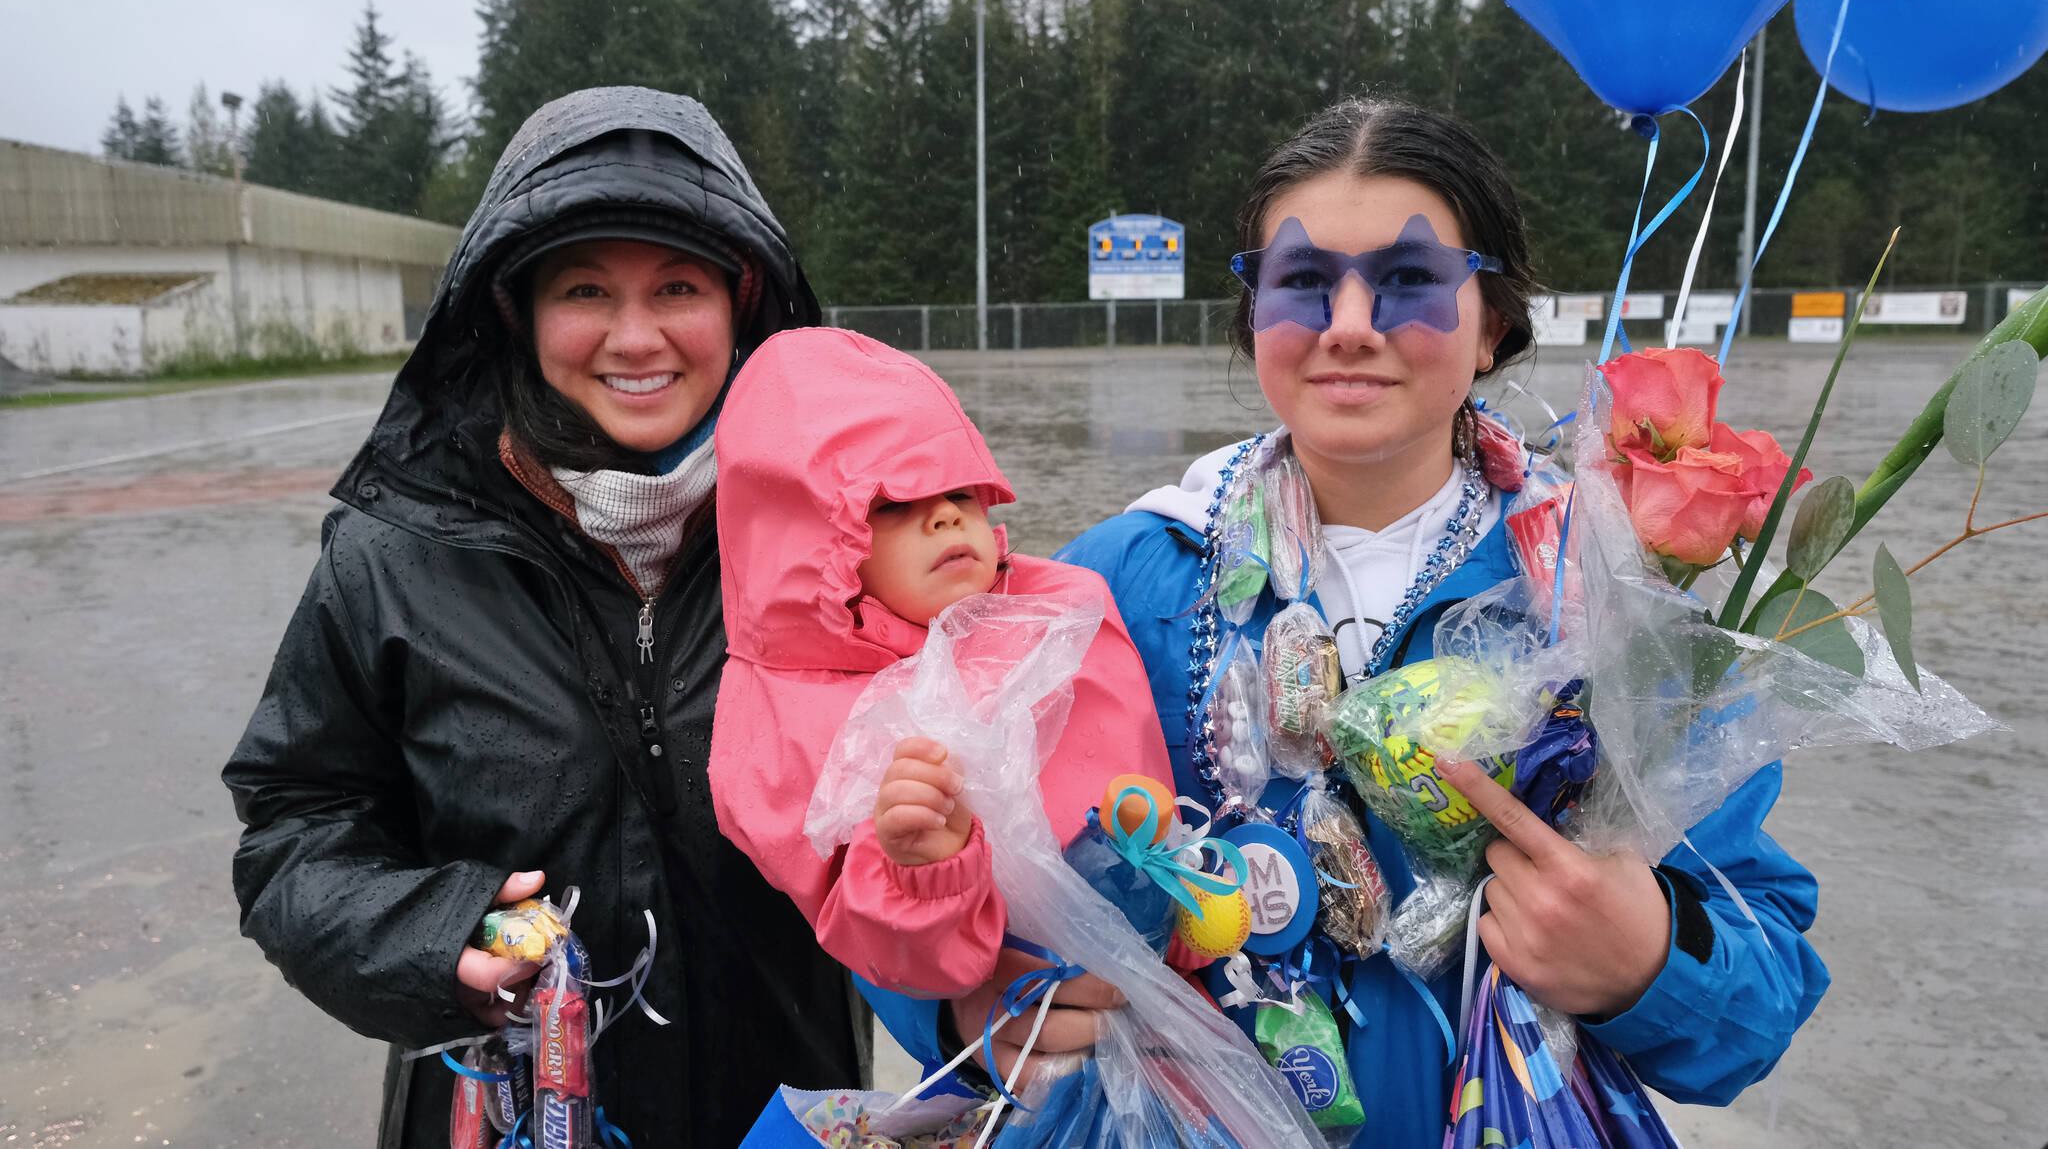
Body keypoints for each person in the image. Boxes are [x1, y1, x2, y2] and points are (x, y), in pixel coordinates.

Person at [864, 96, 1830, 1145]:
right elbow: (892, 854)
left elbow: (1763, 979)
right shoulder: (1110, 584)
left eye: (1409, 278)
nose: (1350, 323)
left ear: (1492, 321)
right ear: (1254, 314)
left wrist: (1646, 961)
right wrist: (963, 1006)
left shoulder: (1601, 594)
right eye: (1303, 280)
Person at [222, 88, 866, 1148]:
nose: (635, 336)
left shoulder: (844, 538)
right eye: (584, 289)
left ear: (742, 302)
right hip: (499, 1115)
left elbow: (953, 824)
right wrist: (431, 938)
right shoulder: (392, 558)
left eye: (678, 285)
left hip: (795, 1114)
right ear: (514, 309)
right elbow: (295, 830)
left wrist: (973, 990)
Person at [708, 326, 1178, 999]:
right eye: (895, 504)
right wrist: (925, 867)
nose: (946, 518)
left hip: (1168, 966)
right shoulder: (791, 717)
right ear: (811, 544)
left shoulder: (1061, 607)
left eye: (960, 494)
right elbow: (893, 959)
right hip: (1015, 1021)